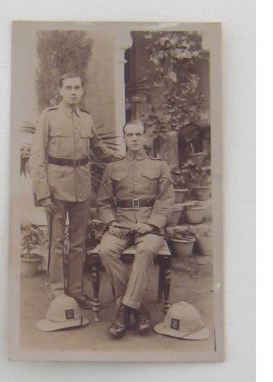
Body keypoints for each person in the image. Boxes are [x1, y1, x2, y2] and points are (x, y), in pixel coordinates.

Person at [29, 72, 122, 309]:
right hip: (55, 187)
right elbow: (37, 156)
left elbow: (98, 147)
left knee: (79, 242)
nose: (73, 92)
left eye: (77, 88)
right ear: (60, 91)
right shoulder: (48, 117)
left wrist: (121, 156)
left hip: (81, 186)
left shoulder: (86, 119)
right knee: (57, 242)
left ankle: (77, 292)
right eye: (68, 87)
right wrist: (42, 193)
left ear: (82, 91)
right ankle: (59, 294)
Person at [96, 120, 175, 338]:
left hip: (149, 224)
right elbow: (102, 202)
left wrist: (150, 224)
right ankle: (138, 310)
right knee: (106, 250)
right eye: (129, 135)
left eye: (138, 134)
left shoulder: (159, 166)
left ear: (145, 137)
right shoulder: (113, 167)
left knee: (146, 249)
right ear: (124, 138)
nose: (134, 139)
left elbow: (166, 201)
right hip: (121, 223)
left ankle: (123, 312)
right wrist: (111, 223)